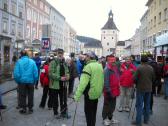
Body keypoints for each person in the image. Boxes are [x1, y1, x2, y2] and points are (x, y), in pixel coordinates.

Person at [74, 51, 104, 126]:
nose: (85, 57)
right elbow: (102, 80)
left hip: (89, 94)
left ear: (90, 57)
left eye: (86, 56)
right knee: (93, 113)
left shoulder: (88, 67)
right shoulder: (99, 65)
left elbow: (82, 84)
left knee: (89, 114)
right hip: (96, 93)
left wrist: (76, 96)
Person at [132, 56, 155, 126]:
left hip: (140, 88)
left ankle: (138, 122)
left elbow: (134, 78)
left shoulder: (139, 67)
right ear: (147, 61)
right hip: (149, 89)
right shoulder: (151, 68)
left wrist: (136, 83)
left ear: (141, 61)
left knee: (139, 105)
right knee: (147, 105)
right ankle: (146, 120)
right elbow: (153, 78)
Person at [14, 50, 38, 114]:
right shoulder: (32, 62)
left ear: (21, 55)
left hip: (22, 82)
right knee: (31, 95)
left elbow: (16, 74)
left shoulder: (19, 62)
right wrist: (35, 81)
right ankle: (30, 109)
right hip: (30, 82)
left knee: (22, 95)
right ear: (27, 55)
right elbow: (35, 73)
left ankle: (24, 109)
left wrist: (18, 81)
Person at [49, 48, 70, 118]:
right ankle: (55, 112)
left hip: (63, 85)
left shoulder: (64, 63)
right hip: (55, 85)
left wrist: (67, 76)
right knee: (55, 100)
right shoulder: (53, 62)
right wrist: (60, 78)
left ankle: (63, 112)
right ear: (57, 54)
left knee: (63, 99)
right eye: (59, 53)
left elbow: (67, 71)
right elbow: (51, 73)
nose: (60, 54)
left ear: (63, 54)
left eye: (61, 53)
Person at [102, 55, 120, 126]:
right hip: (109, 92)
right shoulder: (107, 70)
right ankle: (104, 119)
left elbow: (117, 77)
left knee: (112, 106)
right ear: (108, 61)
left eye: (114, 61)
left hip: (115, 91)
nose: (113, 62)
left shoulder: (114, 68)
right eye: (112, 61)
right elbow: (106, 82)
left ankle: (110, 118)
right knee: (106, 106)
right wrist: (109, 91)